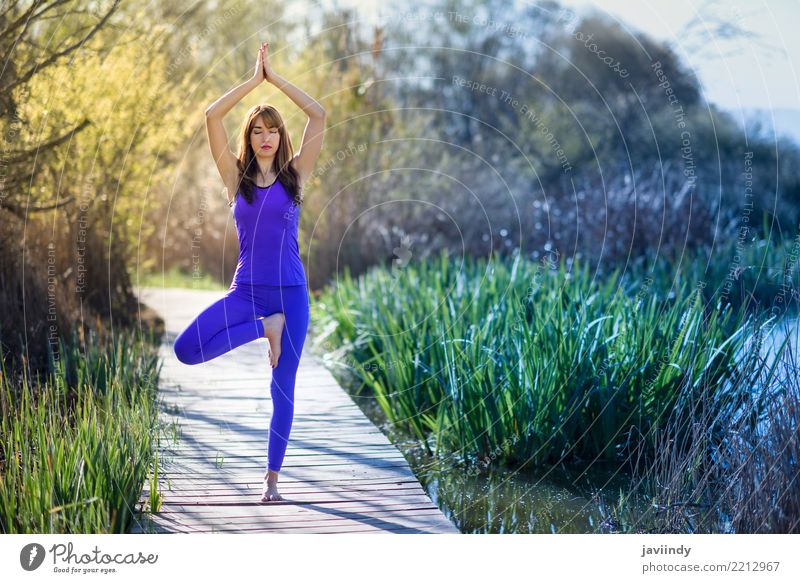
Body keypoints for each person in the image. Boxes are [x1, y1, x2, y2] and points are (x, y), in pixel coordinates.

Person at [172, 41, 326, 503]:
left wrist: (275, 79)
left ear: (281, 137)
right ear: (250, 136)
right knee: (187, 350)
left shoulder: (295, 176)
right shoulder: (234, 178)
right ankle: (265, 329)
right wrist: (251, 81)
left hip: (292, 296)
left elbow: (318, 116)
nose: (265, 137)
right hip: (247, 295)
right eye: (257, 130)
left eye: (272, 130)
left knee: (283, 390)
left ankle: (271, 480)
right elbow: (211, 118)